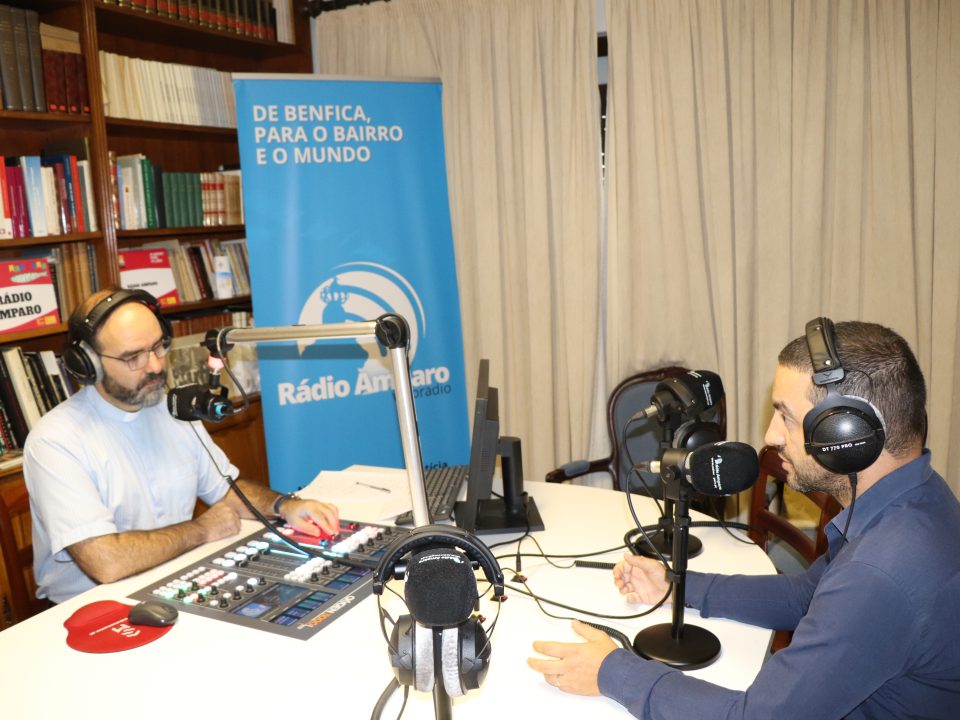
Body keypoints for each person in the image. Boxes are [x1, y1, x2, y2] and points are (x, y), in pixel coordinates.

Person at [528, 320, 960, 718]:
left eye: (786, 416)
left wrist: (612, 671)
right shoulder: (915, 496)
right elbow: (805, 596)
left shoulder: (881, 572)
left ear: (846, 435)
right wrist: (676, 586)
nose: (771, 436)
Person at [24, 288, 340, 604]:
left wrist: (284, 506)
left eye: (158, 346)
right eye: (133, 357)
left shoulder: (172, 407)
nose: (155, 366)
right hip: (92, 607)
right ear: (88, 364)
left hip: (175, 579)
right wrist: (201, 529)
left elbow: (226, 491)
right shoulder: (55, 441)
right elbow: (106, 563)